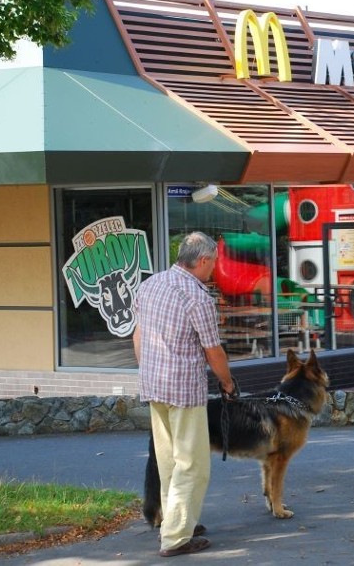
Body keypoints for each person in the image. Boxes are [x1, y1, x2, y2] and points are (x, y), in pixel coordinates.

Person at [133, 231, 235, 557]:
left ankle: (176, 521)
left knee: (167, 461)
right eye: (214, 264)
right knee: (192, 464)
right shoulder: (197, 296)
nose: (214, 271)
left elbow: (138, 334)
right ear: (202, 261)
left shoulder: (150, 285)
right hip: (184, 389)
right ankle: (176, 537)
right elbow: (213, 350)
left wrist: (146, 368)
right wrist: (228, 383)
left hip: (153, 384)